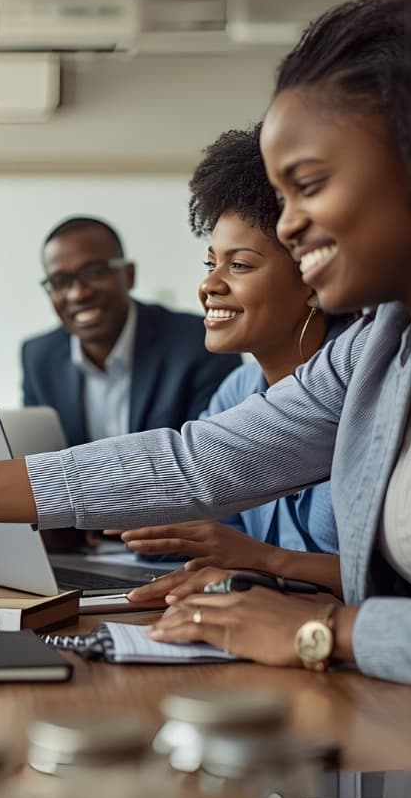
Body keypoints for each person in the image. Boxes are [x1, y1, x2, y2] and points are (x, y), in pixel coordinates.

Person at [0, 0, 411, 688]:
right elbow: (198, 461)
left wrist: (324, 628)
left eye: (310, 183)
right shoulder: (381, 346)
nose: (290, 225)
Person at [117, 125, 349, 602]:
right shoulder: (237, 391)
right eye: (210, 264)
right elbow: (218, 535)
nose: (209, 285)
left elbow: (396, 580)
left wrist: (264, 560)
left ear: (311, 275)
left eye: (238, 265)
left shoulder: (363, 383)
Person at [21, 216, 240, 446]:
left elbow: (211, 454)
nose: (78, 293)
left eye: (95, 273)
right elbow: (38, 453)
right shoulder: (38, 357)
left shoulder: (199, 342)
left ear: (128, 275)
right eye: (60, 281)